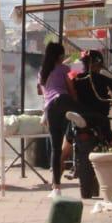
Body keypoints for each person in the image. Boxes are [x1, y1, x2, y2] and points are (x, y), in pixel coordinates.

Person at [70, 50, 112, 199]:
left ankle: (74, 171)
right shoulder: (107, 81)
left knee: (73, 141)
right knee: (111, 148)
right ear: (98, 63)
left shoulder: (75, 80)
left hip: (81, 122)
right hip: (100, 122)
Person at [38, 41, 74, 196]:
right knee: (73, 135)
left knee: (55, 148)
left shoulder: (42, 72)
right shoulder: (65, 69)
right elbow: (71, 89)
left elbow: (42, 92)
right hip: (64, 101)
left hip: (51, 107)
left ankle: (56, 188)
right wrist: (77, 104)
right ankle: (75, 126)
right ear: (60, 56)